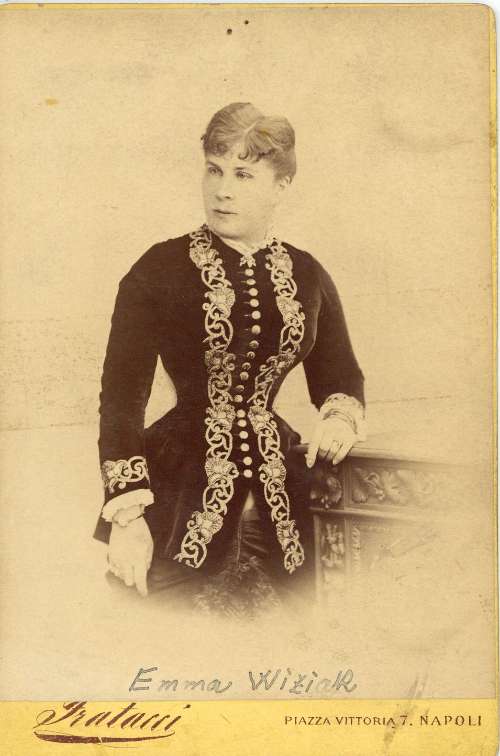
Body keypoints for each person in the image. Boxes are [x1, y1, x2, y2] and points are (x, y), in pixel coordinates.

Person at [94, 102, 365, 617]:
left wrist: (339, 417)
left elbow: (340, 376)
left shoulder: (307, 274)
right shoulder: (159, 268)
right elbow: (121, 399)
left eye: (243, 175)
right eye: (214, 170)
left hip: (282, 498)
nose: (222, 190)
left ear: (281, 185)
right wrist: (127, 517)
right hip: (176, 495)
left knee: (292, 631)